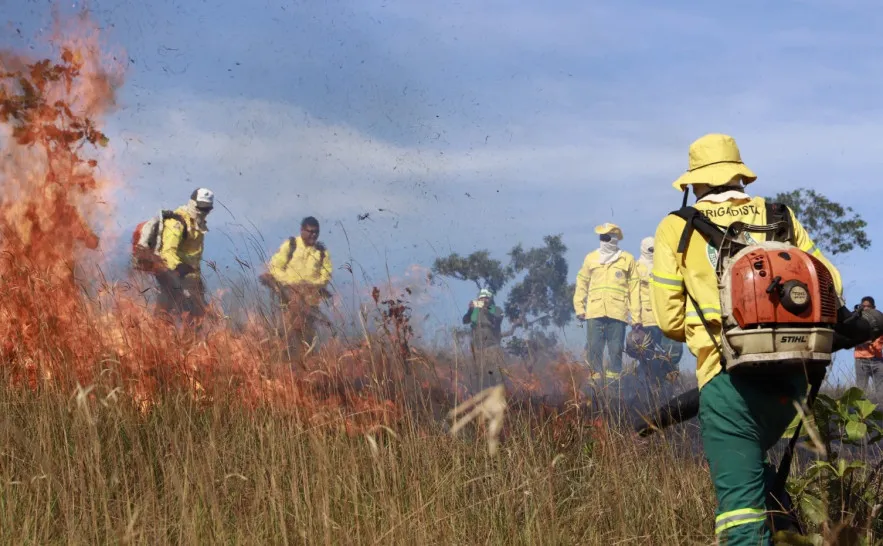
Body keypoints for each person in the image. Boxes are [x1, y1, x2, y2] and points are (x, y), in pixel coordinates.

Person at [650, 133, 843, 544]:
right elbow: (832, 283)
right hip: (793, 379)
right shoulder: (779, 215)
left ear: (694, 183)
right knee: (759, 478)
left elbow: (668, 319)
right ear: (739, 177)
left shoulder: (676, 227)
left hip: (727, 383)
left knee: (739, 519)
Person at [573, 223, 640, 383]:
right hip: (594, 312)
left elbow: (634, 290)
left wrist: (636, 317)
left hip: (618, 314)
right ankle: (594, 387)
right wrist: (579, 307)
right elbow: (581, 282)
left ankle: (614, 387)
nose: (603, 241)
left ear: (614, 239)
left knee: (616, 351)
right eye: (601, 237)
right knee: (594, 350)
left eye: (606, 237)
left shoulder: (627, 259)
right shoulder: (591, 258)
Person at [263, 216, 332, 363]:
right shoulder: (291, 245)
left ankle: (304, 366)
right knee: (286, 334)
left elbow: (326, 275)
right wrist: (290, 284)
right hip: (288, 300)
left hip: (310, 303)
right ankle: (280, 365)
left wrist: (311, 285)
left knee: (307, 337)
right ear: (302, 230)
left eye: (316, 232)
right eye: (310, 231)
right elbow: (275, 266)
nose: (314, 235)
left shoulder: (321, 252)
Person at [632, 236, 682, 401]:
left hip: (664, 319)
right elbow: (633, 295)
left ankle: (667, 391)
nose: (653, 253)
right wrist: (635, 319)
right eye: (651, 249)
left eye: (656, 249)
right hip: (646, 321)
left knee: (670, 356)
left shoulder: (664, 266)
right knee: (646, 358)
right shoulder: (637, 268)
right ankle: (644, 393)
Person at [156, 188, 214, 328]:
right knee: (164, 317)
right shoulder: (177, 222)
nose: (203, 212)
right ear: (193, 204)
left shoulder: (198, 226)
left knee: (196, 319)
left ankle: (187, 347)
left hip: (191, 279)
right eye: (201, 207)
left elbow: (194, 257)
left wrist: (197, 280)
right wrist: (178, 268)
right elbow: (167, 252)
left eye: (207, 209)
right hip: (172, 276)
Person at [462, 288, 506, 393]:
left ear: (490, 299)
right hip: (477, 345)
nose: (483, 299)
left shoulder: (494, 309)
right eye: (481, 297)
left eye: (486, 298)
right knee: (480, 371)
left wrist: (484, 306)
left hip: (490, 343)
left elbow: (499, 315)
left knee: (494, 369)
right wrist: (470, 309)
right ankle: (481, 392)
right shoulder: (475, 310)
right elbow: (465, 320)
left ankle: (499, 390)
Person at [854, 296, 883, 398]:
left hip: (878, 360)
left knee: (881, 392)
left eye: (868, 306)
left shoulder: (880, 322)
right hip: (861, 360)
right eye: (863, 306)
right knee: (861, 392)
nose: (866, 308)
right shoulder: (856, 321)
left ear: (874, 308)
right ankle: (861, 413)